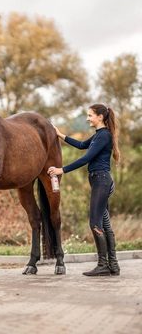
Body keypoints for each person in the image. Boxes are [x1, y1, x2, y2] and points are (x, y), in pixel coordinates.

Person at [48, 104, 120, 276]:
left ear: (100, 117)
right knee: (104, 223)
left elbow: (86, 157)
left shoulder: (103, 136)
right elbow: (81, 145)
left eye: (90, 115)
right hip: (100, 181)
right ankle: (113, 265)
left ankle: (103, 265)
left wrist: (61, 170)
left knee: (95, 223)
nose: (87, 119)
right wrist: (60, 135)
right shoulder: (99, 135)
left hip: (101, 181)